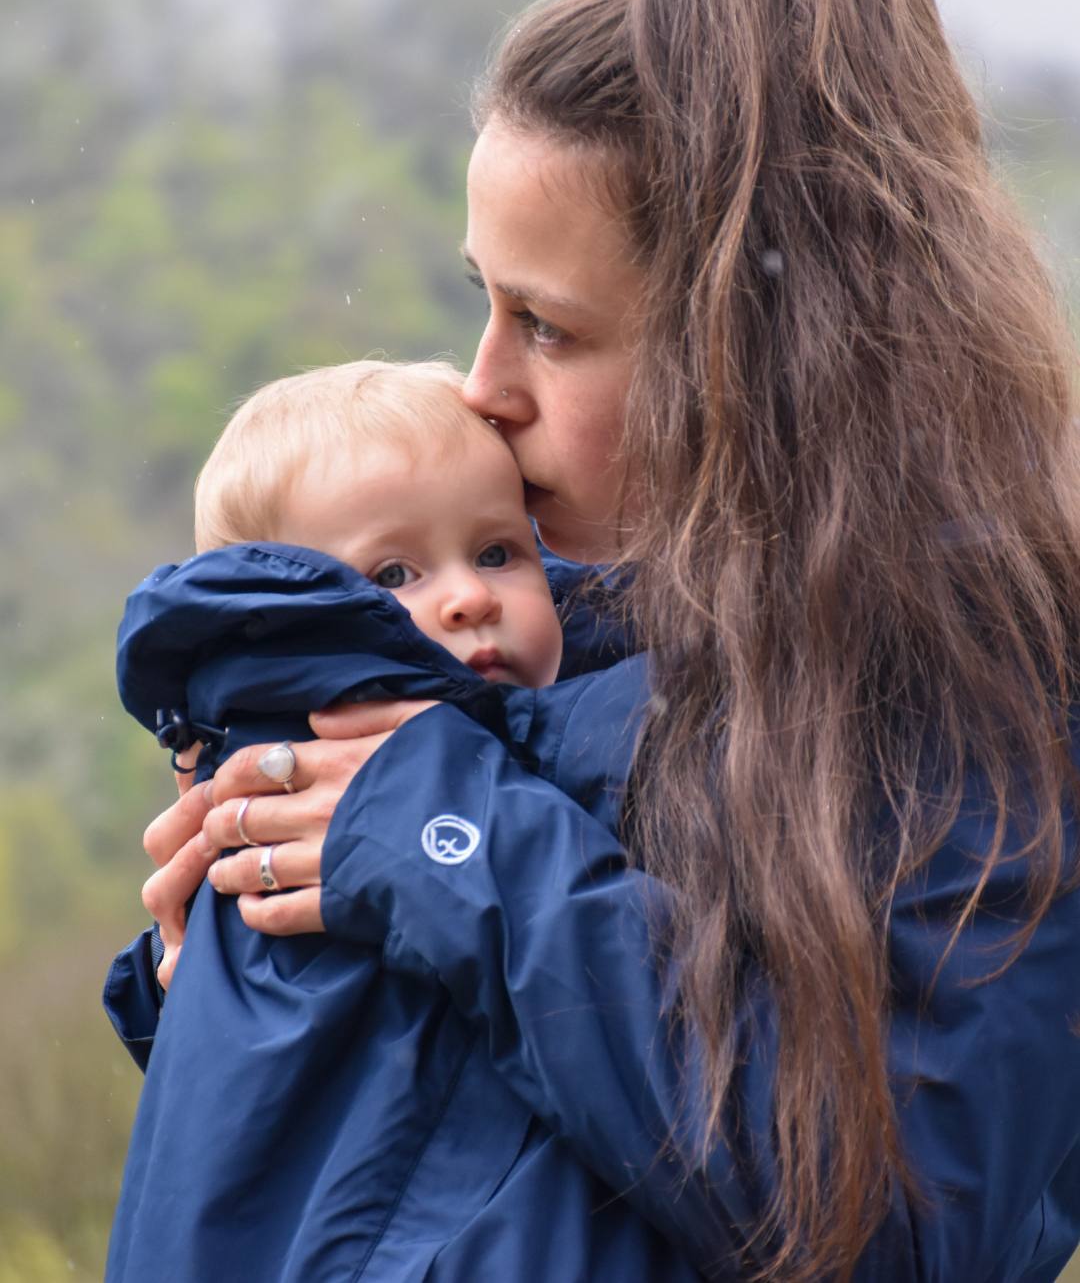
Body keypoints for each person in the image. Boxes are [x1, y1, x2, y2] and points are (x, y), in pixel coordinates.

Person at [129, 0, 1080, 1280]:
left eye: (549, 326)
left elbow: (899, 1226)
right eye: (484, 305)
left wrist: (443, 837)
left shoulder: (989, 685)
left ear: (757, 348)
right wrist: (238, 989)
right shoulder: (517, 643)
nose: (480, 386)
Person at [106, 359, 693, 1281]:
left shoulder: (553, 749)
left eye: (500, 551)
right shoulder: (296, 813)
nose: (469, 596)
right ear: (285, 616)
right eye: (394, 573)